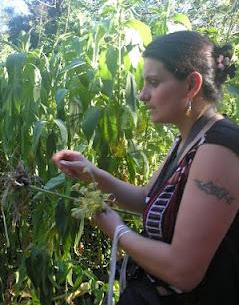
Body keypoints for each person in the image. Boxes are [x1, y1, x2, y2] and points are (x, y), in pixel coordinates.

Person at [52, 31, 239, 304]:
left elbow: (183, 271)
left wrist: (117, 231)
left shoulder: (220, 147)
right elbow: (146, 199)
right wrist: (90, 172)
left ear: (191, 85)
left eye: (153, 82)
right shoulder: (189, 140)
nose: (142, 95)